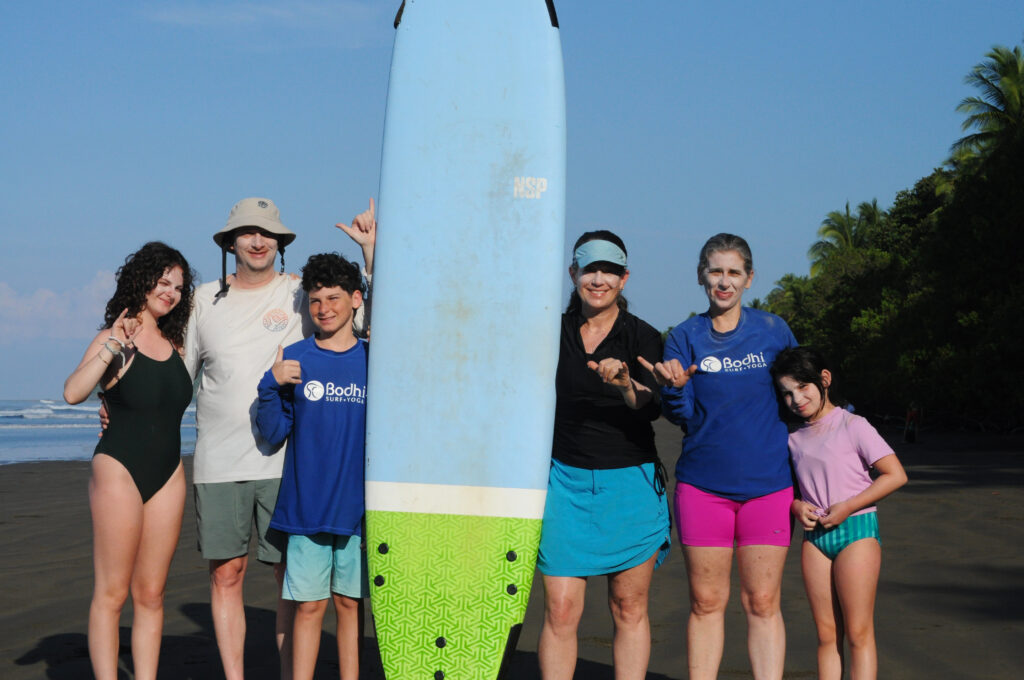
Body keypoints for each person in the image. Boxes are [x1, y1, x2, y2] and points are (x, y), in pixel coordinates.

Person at [183, 197, 375, 680]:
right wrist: (116, 400)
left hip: (287, 470)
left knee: (291, 582)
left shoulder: (298, 293)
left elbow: (366, 317)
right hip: (222, 459)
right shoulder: (202, 301)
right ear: (230, 241)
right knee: (228, 574)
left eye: (267, 232)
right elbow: (177, 376)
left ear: (281, 242)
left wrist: (371, 254)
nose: (257, 239)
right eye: (246, 232)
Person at [639, 233, 796, 680]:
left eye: (733, 273)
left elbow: (799, 395)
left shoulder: (773, 330)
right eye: (715, 272)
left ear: (749, 279)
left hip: (769, 485)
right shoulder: (684, 337)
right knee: (706, 603)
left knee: (762, 602)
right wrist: (674, 388)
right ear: (701, 277)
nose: (723, 282)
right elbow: (682, 418)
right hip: (703, 487)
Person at [537, 230, 670, 680]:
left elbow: (649, 405)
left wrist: (624, 384)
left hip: (629, 484)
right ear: (573, 273)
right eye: (589, 269)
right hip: (563, 483)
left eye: (609, 271)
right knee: (559, 610)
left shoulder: (644, 337)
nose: (598, 279)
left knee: (629, 607)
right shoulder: (548, 331)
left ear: (625, 278)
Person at [64, 242, 195, 680]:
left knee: (151, 593)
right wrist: (111, 348)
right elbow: (72, 392)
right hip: (119, 468)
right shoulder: (113, 337)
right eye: (163, 282)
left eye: (178, 286)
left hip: (168, 474)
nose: (171, 292)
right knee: (112, 592)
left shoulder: (177, 342)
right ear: (141, 280)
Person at [255, 252, 369, 680]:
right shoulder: (297, 358)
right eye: (316, 299)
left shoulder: (375, 360)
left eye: (335, 298)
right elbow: (272, 432)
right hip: (305, 511)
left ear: (356, 299)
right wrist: (271, 382)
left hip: (357, 513)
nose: (324, 308)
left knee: (349, 606)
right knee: (309, 607)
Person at [771, 347, 907, 680]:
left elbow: (895, 475)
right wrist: (796, 505)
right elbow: (792, 491)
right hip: (815, 539)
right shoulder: (791, 439)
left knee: (859, 633)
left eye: (803, 387)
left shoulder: (853, 425)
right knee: (827, 635)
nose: (796, 399)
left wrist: (847, 506)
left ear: (824, 380)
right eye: (787, 393)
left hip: (857, 532)